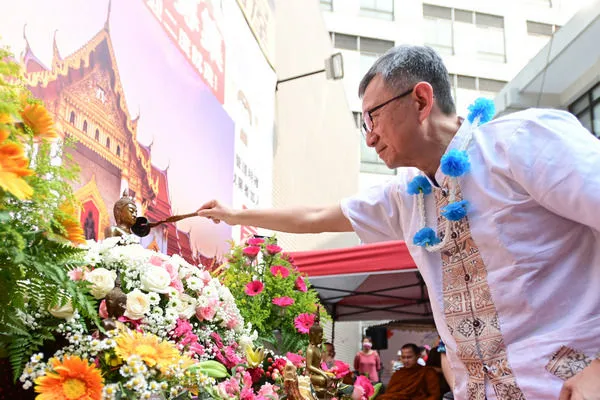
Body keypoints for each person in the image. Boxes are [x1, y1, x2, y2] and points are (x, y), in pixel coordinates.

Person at [197, 44, 600, 399]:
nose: (369, 138)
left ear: (421, 101)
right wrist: (234, 214)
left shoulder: (522, 143)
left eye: (372, 118)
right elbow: (318, 215)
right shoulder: (407, 194)